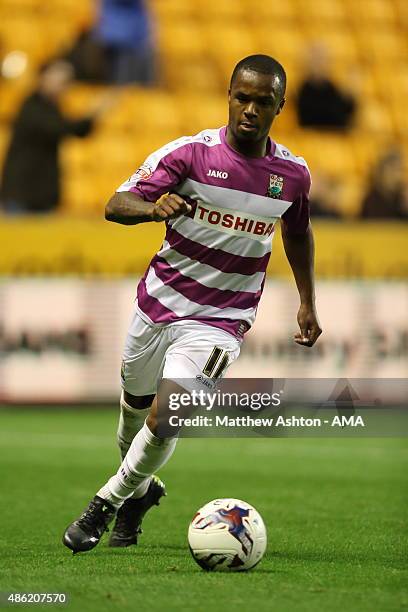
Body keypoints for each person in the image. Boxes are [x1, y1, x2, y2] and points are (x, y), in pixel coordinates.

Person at [62, 54, 322, 554]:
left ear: (280, 106)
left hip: (221, 320)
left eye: (262, 102)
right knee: (133, 420)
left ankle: (105, 502)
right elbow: (116, 204)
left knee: (168, 416)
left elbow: (299, 233)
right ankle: (141, 493)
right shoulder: (189, 156)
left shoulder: (291, 175)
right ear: (228, 95)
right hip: (158, 302)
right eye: (242, 97)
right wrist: (151, 208)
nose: (250, 109)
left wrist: (307, 301)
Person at [0, 59, 109, 214]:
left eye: (67, 82)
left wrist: (93, 117)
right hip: (22, 190)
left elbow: (78, 132)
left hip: (43, 192)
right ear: (43, 78)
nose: (63, 87)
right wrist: (89, 116)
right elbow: (58, 128)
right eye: (61, 81)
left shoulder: (53, 107)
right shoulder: (31, 106)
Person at [295, 43, 356, 131]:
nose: (320, 63)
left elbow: (344, 119)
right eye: (316, 59)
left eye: (323, 59)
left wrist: (351, 98)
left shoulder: (334, 89)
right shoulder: (301, 91)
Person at [360, 148, 408, 219]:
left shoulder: (401, 198)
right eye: (392, 170)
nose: (396, 175)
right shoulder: (371, 200)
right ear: (382, 171)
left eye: (399, 170)